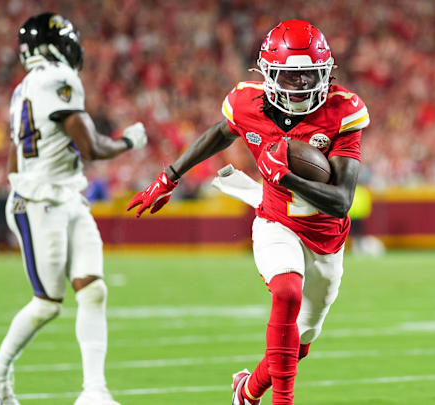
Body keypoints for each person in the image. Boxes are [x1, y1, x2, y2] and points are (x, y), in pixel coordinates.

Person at [127, 20, 368, 405]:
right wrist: (169, 176)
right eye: (291, 77)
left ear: (326, 72)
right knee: (287, 291)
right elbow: (220, 133)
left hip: (326, 236)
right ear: (269, 74)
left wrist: (287, 177)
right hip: (275, 220)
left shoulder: (344, 110)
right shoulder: (246, 101)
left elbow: (341, 201)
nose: (302, 86)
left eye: (310, 75)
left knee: (302, 337)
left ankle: (248, 391)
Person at [0, 13, 147, 405]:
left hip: (65, 195)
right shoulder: (57, 77)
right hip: (41, 202)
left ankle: (94, 391)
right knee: (47, 304)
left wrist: (21, 183)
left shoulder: (24, 87)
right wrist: (129, 142)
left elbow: (14, 151)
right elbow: (90, 147)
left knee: (93, 289)